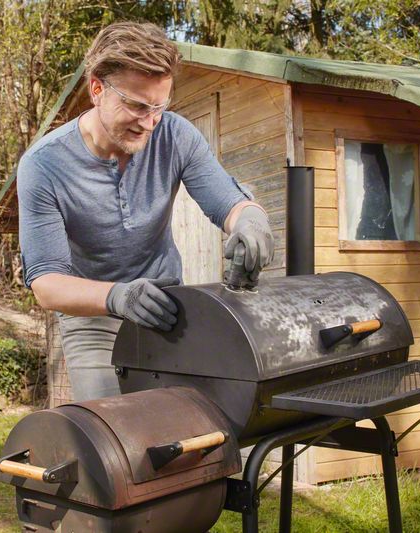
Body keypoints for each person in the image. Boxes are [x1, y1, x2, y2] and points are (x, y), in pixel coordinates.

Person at [17, 21, 275, 402]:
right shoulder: (43, 166)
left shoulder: (175, 135)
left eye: (159, 106)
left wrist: (252, 223)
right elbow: (46, 283)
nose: (150, 122)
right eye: (137, 105)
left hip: (167, 308)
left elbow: (229, 202)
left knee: (195, 419)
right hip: (94, 320)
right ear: (97, 89)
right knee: (114, 427)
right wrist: (118, 296)